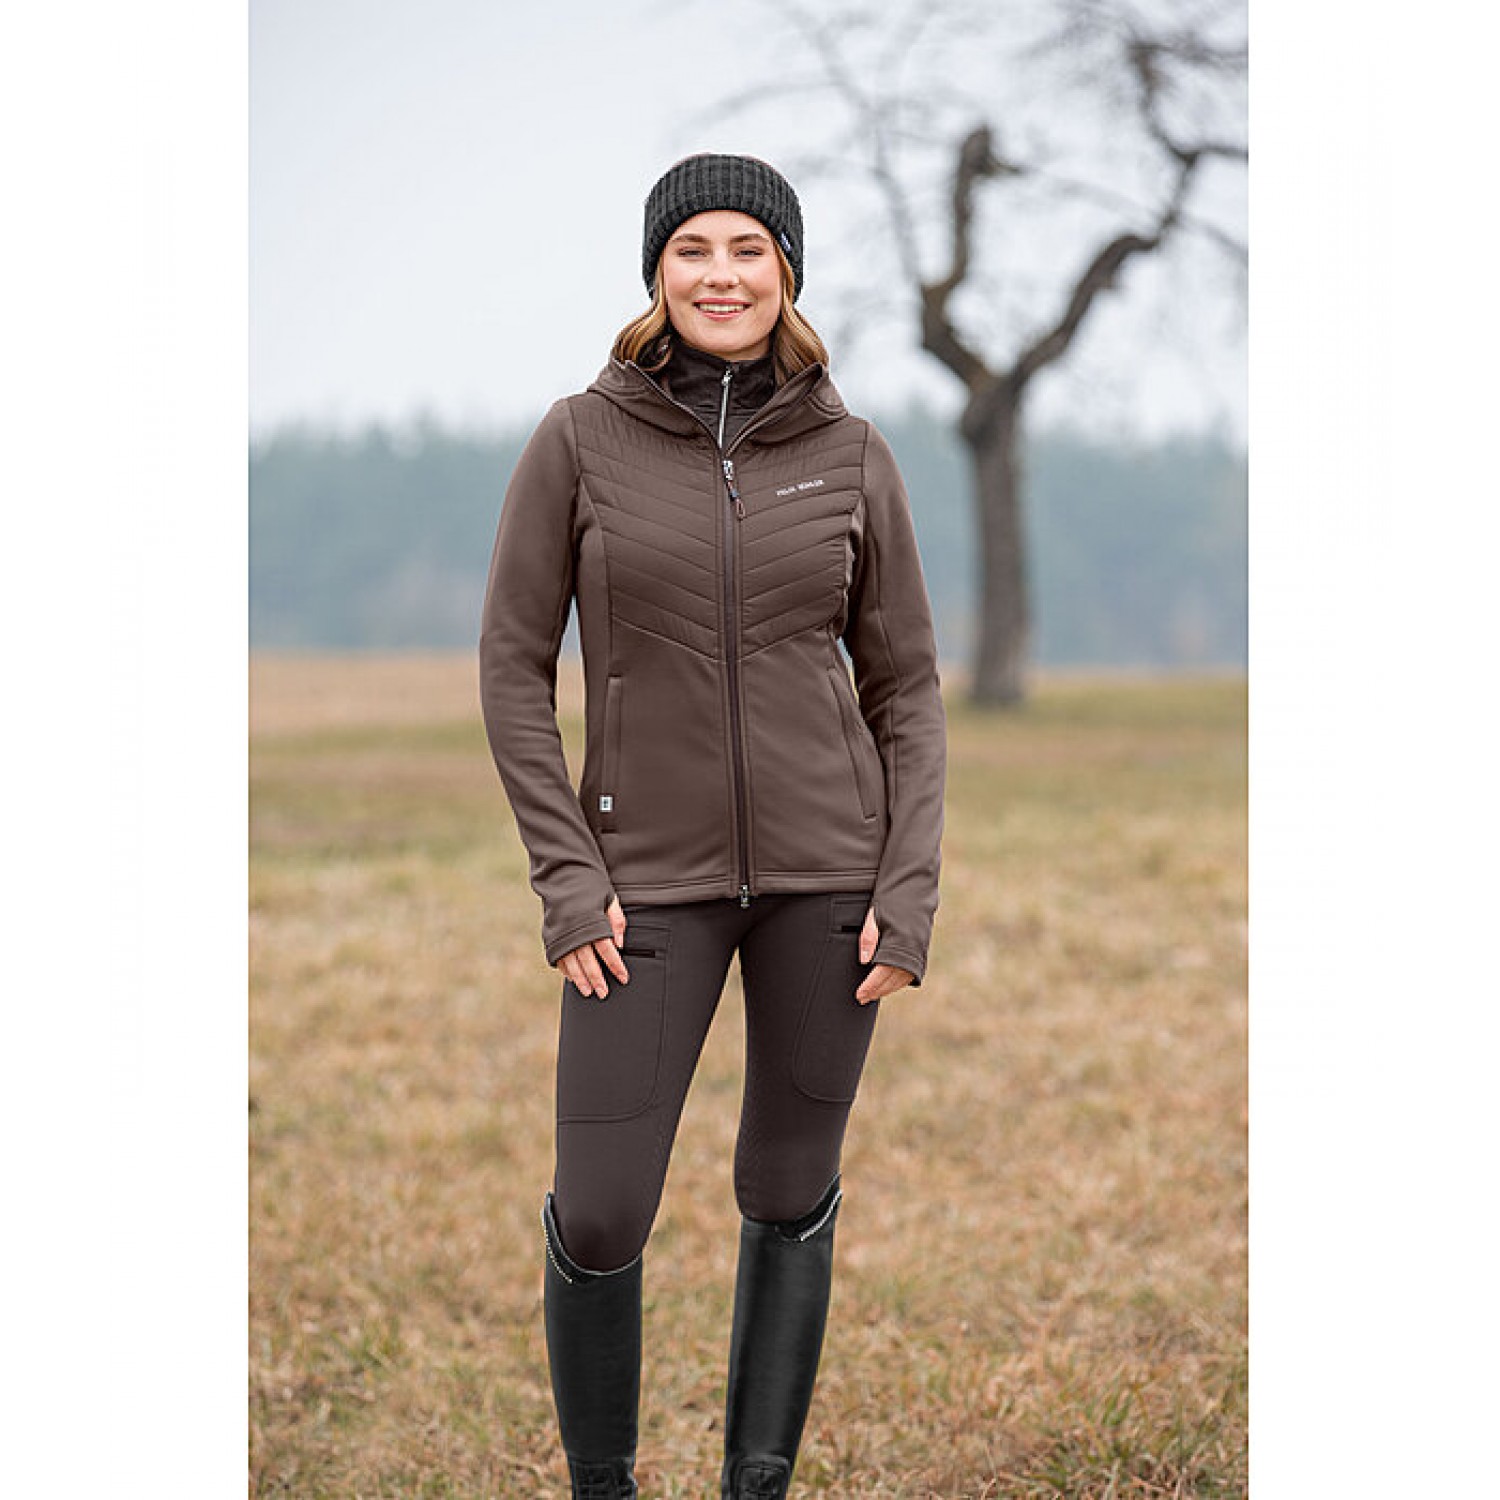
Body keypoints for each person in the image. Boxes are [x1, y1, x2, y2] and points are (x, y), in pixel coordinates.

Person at [478, 151, 947, 1500]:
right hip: (641, 889)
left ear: (787, 272)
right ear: (657, 273)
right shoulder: (580, 439)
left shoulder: (853, 454)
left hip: (829, 883)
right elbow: (513, 667)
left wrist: (906, 891)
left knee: (788, 1189)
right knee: (603, 1209)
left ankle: (756, 1487)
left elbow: (907, 689)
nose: (721, 275)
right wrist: (569, 879)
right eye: (694, 250)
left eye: (750, 249)